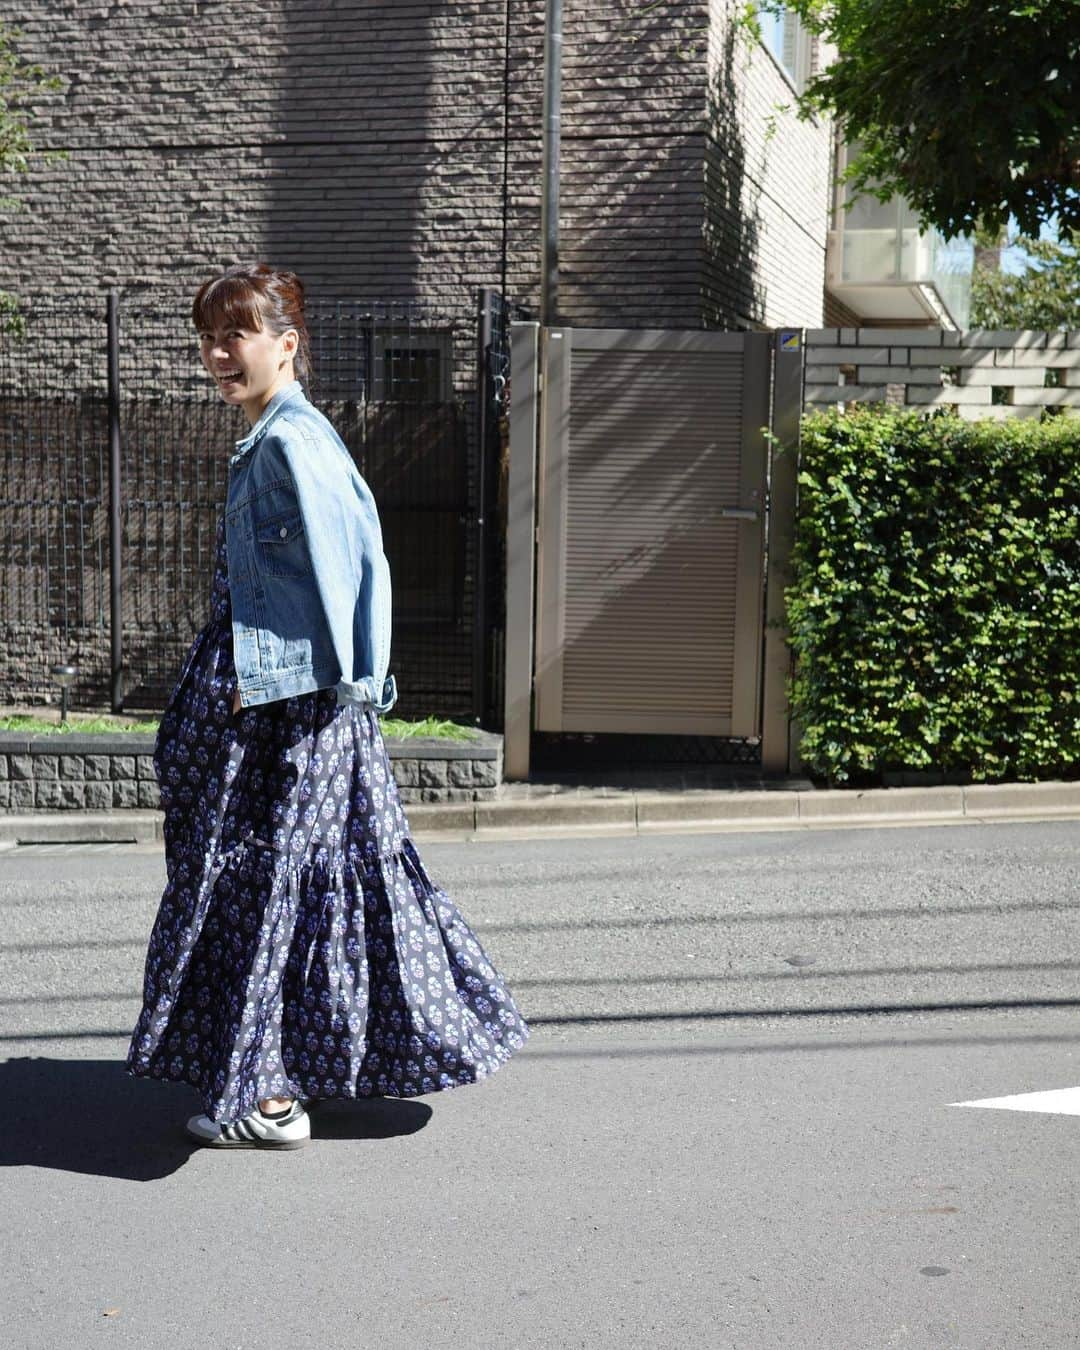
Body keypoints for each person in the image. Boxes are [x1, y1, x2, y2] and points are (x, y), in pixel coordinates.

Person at [126, 262, 529, 1148]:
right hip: (305, 705)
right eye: (209, 336)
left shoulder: (287, 444)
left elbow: (347, 571)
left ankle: (269, 1098)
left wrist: (304, 689)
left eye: (235, 335)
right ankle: (293, 1073)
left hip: (284, 710)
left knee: (261, 885)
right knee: (299, 883)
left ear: (285, 343)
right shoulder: (292, 432)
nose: (218, 353)